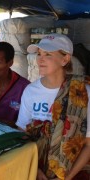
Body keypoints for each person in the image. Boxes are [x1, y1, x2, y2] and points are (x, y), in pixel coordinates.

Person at [16, 33, 90, 180]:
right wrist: (35, 170)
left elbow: (88, 145)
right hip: (35, 169)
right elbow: (22, 135)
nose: (40, 59)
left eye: (48, 54)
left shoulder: (82, 92)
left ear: (65, 59)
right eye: (39, 54)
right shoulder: (31, 91)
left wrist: (67, 177)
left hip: (72, 171)